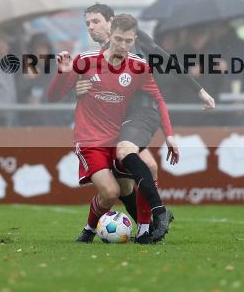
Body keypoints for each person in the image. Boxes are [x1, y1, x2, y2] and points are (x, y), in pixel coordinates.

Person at [71, 5, 214, 243]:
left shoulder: (131, 38)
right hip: (120, 118)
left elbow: (166, 60)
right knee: (125, 185)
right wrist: (78, 91)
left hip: (142, 111)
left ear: (112, 22)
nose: (91, 28)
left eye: (95, 22)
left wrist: (199, 91)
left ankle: (157, 214)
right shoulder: (98, 55)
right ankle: (147, 228)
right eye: (88, 23)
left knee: (132, 156)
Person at [47, 14, 181, 244]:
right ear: (110, 37)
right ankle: (89, 230)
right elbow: (53, 97)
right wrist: (63, 72)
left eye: (129, 41)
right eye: (118, 39)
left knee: (144, 170)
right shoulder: (86, 61)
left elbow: (158, 100)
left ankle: (145, 230)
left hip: (118, 138)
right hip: (90, 140)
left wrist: (169, 135)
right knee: (110, 193)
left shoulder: (139, 67)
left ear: (134, 39)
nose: (123, 45)